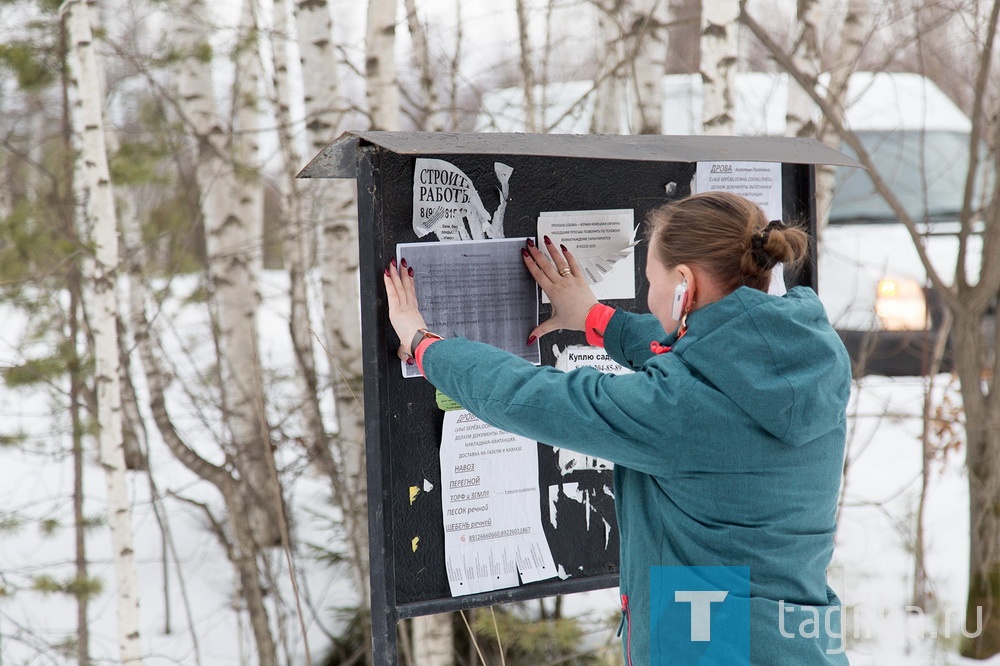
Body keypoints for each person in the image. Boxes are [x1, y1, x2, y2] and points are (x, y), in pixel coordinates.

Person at [385, 190, 851, 664]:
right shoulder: (810, 361)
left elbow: (538, 399)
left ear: (683, 286)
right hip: (801, 639)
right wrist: (596, 318)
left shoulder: (681, 409)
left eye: (651, 281)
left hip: (716, 646)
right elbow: (705, 349)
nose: (649, 298)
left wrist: (426, 345)